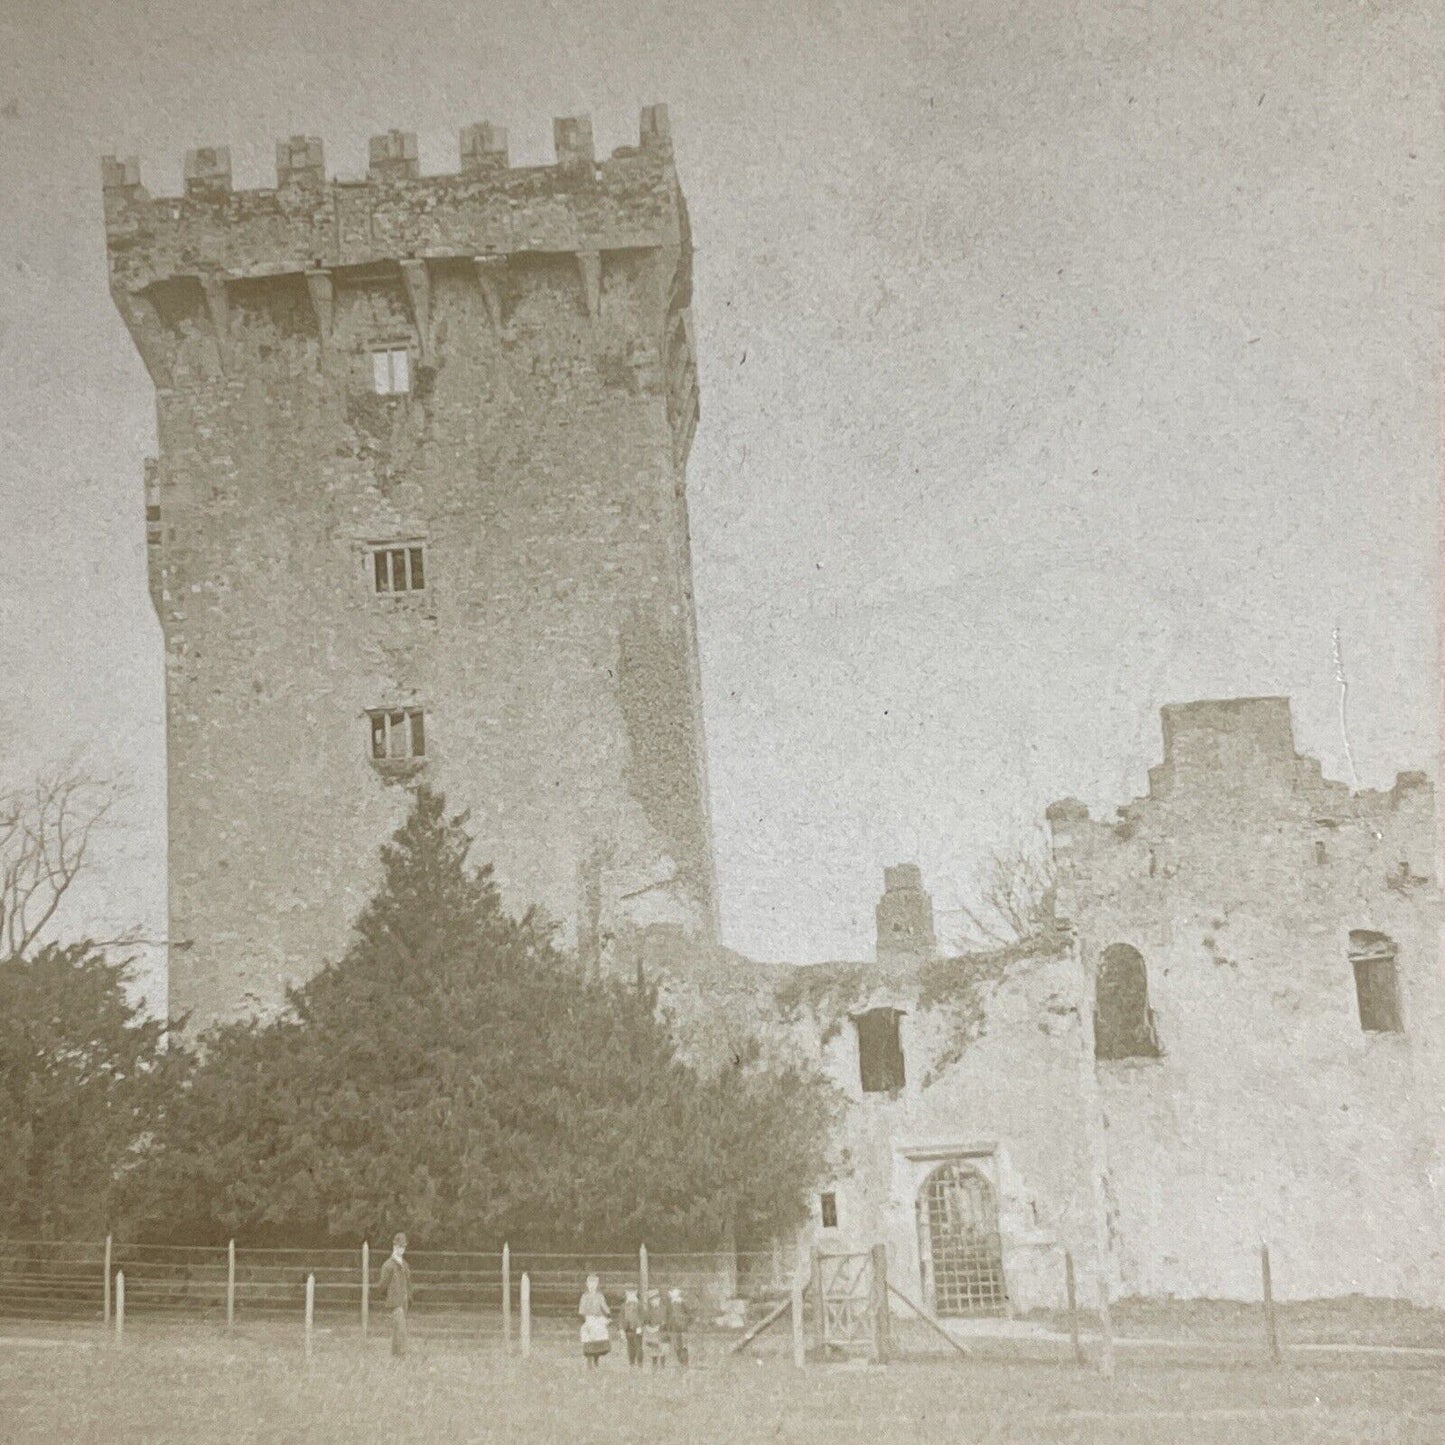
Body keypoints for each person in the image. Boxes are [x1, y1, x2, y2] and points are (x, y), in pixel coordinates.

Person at [378, 1233, 413, 1358]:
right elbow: (382, 1286)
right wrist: (390, 1297)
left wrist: (409, 1296)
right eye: (399, 1246)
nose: (401, 1249)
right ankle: (402, 1356)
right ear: (394, 1246)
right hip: (395, 1302)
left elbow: (409, 1283)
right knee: (400, 1329)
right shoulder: (388, 1265)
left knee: (398, 1329)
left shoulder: (405, 1265)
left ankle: (395, 1356)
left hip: (404, 1301)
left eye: (403, 1247)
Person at [578, 1272, 611, 1368]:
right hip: (588, 1318)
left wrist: (608, 1315)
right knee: (588, 1339)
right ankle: (589, 1360)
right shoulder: (584, 1296)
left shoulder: (599, 1296)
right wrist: (584, 1320)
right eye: (590, 1283)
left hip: (598, 1319)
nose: (592, 1286)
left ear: (597, 1284)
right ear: (587, 1284)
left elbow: (604, 1307)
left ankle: (596, 1359)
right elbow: (581, 1310)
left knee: (598, 1339)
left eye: (594, 1283)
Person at [665, 1286, 691, 1367]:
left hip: (683, 1327)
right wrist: (668, 1326)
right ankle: (680, 1360)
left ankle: (685, 1362)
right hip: (674, 1327)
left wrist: (686, 1322)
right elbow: (667, 1315)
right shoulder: (669, 1304)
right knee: (676, 1345)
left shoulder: (683, 1303)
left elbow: (689, 1314)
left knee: (684, 1345)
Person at [642, 1287, 667, 1369]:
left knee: (663, 1349)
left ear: (659, 1299)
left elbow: (667, 1318)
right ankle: (654, 1365)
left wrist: (663, 1324)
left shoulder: (664, 1308)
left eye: (655, 1299)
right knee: (654, 1349)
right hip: (653, 1332)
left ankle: (662, 1365)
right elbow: (645, 1320)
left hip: (663, 1331)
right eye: (652, 1300)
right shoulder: (649, 1310)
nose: (654, 1302)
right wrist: (648, 1326)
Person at [621, 1288, 644, 1367]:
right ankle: (632, 1363)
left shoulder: (639, 1305)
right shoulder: (623, 1305)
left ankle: (640, 1363)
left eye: (632, 1293)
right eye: (629, 1294)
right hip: (628, 1329)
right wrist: (621, 1329)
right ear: (626, 1294)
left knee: (638, 1346)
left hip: (637, 1329)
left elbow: (642, 1316)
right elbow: (621, 1317)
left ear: (635, 1293)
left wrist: (640, 1326)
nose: (631, 1295)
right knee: (630, 1346)